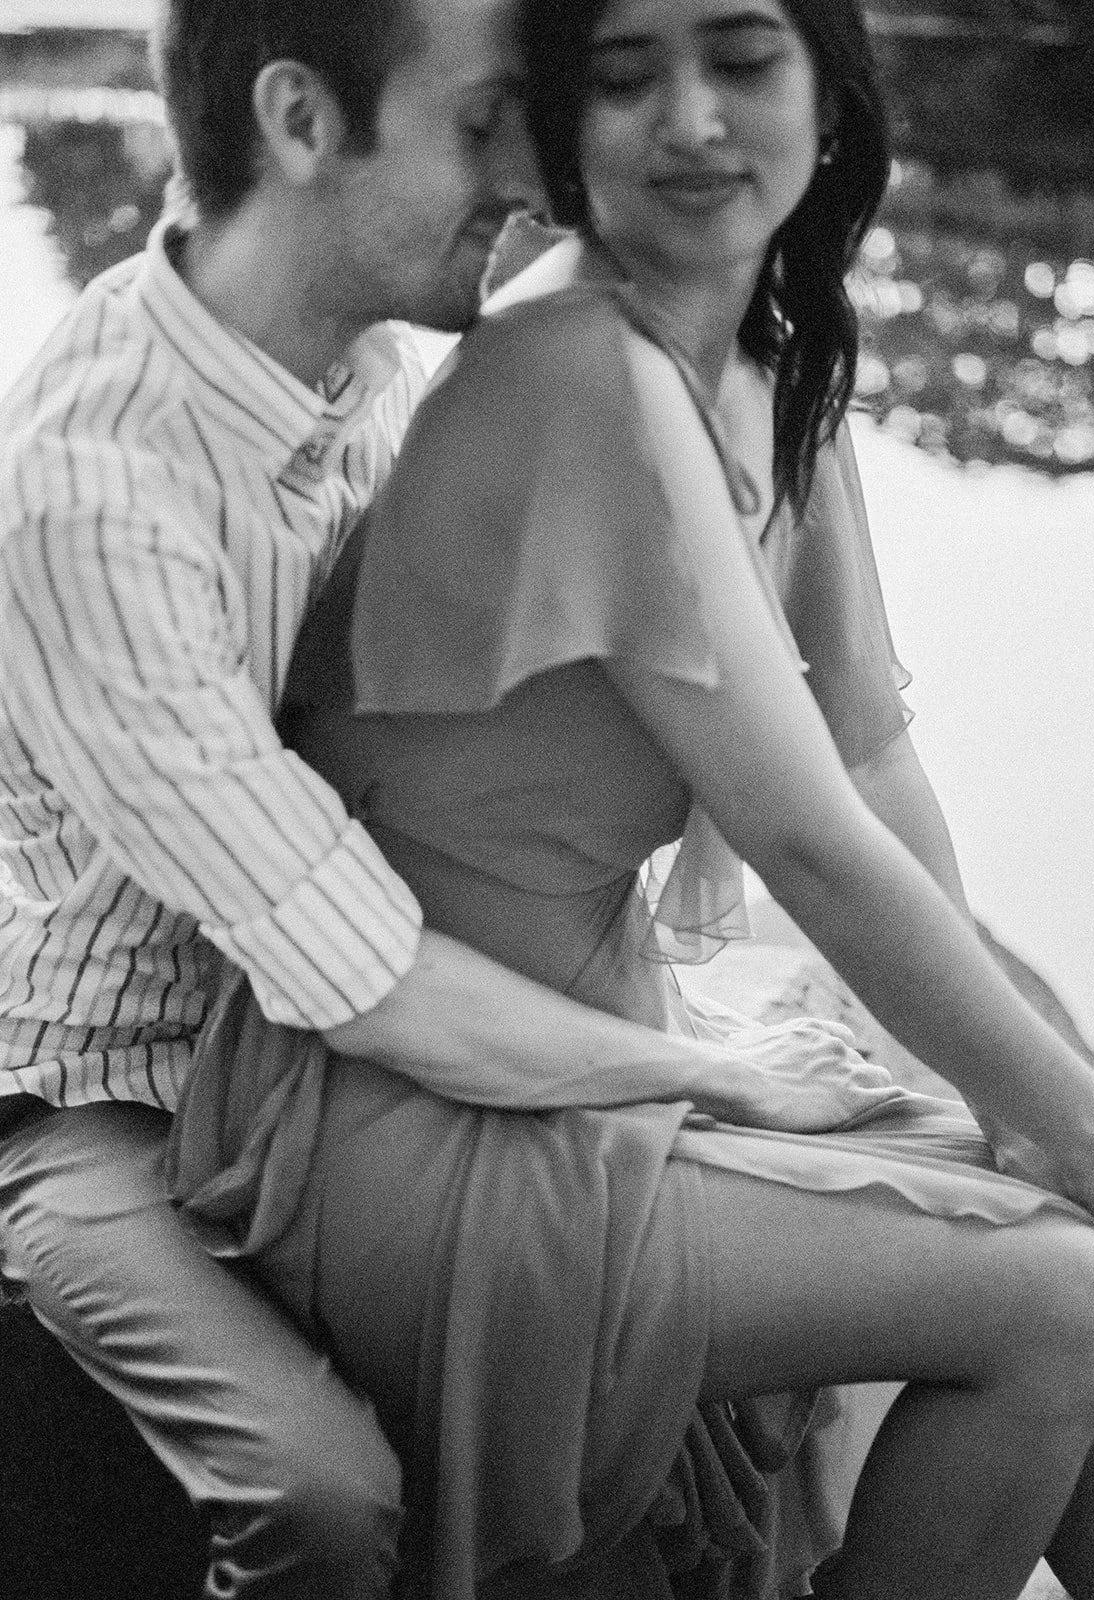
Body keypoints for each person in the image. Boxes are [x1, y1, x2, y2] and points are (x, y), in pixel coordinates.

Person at [167, 0, 1094, 1597]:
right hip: (423, 1115)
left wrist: (1050, 1107)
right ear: (557, 133)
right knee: (1058, 1289)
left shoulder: (769, 352)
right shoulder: (576, 366)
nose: (693, 124)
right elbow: (803, 838)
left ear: (828, 92)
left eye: (741, 60)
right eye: (625, 79)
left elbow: (866, 766)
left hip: (598, 1065)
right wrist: (1089, 1139)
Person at [0, 1, 854, 1592]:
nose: (533, 174)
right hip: (106, 1097)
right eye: (480, 125)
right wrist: (701, 1087)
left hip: (339, 1078)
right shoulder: (95, 500)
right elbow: (369, 976)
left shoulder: (380, 351)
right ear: (303, 122)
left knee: (820, 1314)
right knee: (315, 1494)